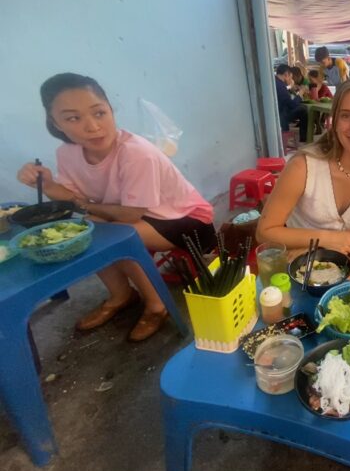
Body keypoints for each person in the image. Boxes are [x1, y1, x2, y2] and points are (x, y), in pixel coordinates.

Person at [16, 73, 215, 341]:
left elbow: (130, 213)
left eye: (99, 113)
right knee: (88, 230)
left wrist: (85, 206)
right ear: (56, 123)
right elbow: (72, 197)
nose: (92, 126)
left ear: (110, 109)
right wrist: (47, 184)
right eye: (73, 118)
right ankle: (121, 295)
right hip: (135, 219)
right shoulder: (68, 153)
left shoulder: (136, 153)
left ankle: (157, 305)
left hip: (188, 220)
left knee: (113, 234)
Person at [256, 76, 350, 284]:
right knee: (346, 274)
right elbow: (264, 232)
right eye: (346, 116)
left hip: (343, 244)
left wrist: (335, 244)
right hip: (297, 248)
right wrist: (325, 241)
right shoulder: (303, 166)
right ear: (334, 120)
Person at [275, 64, 309, 142]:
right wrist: (300, 93)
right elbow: (292, 105)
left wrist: (291, 88)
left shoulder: (276, 81)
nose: (291, 79)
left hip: (278, 112)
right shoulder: (280, 86)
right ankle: (304, 138)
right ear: (286, 74)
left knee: (301, 107)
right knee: (303, 109)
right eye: (291, 77)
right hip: (281, 116)